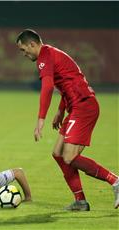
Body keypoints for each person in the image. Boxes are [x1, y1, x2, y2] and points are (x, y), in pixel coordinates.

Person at [16, 29, 119, 210]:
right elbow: (68, 82)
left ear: (32, 44)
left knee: (69, 157)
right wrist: (60, 110)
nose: (23, 54)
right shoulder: (50, 54)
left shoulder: (44, 57)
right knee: (58, 154)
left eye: (23, 50)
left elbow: (47, 87)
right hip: (76, 106)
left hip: (84, 106)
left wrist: (41, 119)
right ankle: (80, 201)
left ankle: (115, 181)